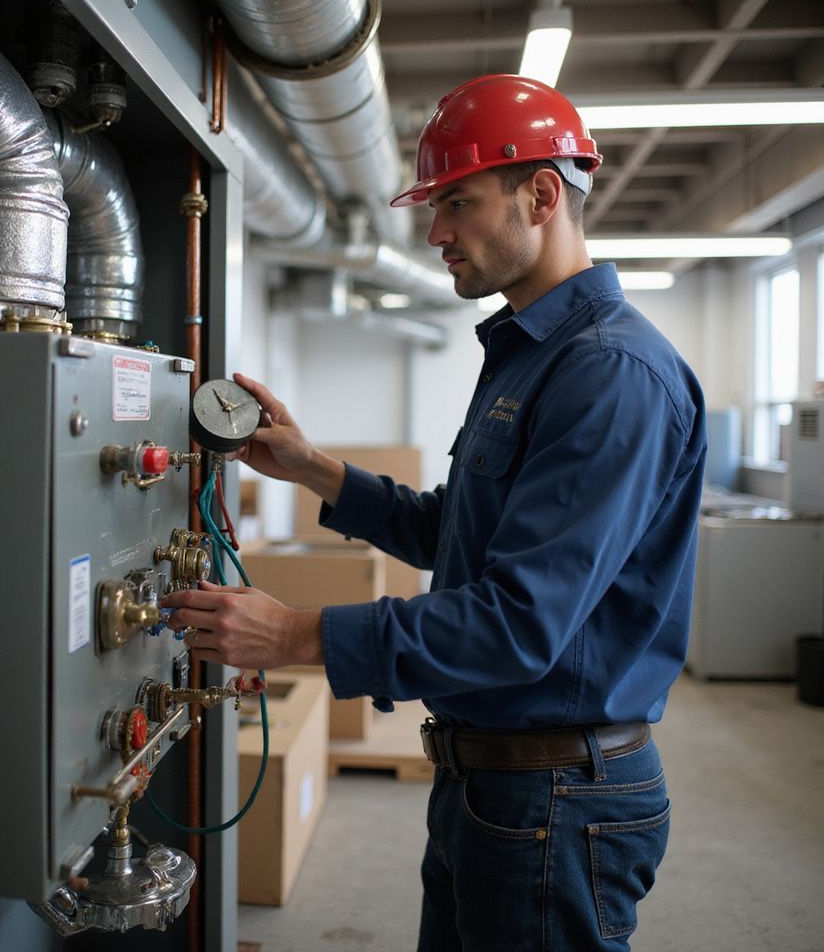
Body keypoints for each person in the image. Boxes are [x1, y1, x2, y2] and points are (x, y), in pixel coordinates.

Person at [162, 75, 707, 951]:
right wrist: (314, 470)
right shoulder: (533, 355)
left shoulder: (609, 372)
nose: (435, 231)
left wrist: (298, 635)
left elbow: (518, 622)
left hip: (555, 801)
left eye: (457, 200)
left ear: (541, 194)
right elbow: (458, 531)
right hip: (492, 783)